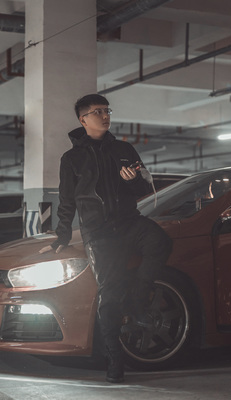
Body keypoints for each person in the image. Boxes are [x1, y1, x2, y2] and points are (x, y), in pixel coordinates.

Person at [40, 94, 172, 383]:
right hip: (98, 232)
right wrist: (62, 234)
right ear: (82, 119)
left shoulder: (124, 149)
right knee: (109, 293)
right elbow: (66, 201)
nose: (104, 115)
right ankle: (115, 360)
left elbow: (143, 187)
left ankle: (138, 300)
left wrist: (133, 181)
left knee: (160, 241)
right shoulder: (72, 158)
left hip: (130, 222)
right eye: (97, 111)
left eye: (106, 110)